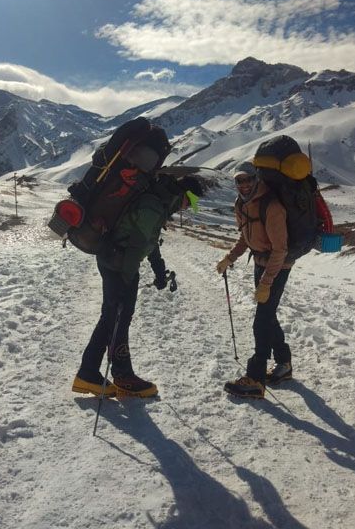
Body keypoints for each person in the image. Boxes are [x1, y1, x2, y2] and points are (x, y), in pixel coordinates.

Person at [73, 146, 205, 399]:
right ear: (185, 195)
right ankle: (101, 374)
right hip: (118, 263)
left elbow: (149, 240)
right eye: (190, 203)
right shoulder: (155, 205)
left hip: (116, 261)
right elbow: (138, 244)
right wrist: (126, 277)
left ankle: (107, 372)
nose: (187, 208)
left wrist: (158, 268)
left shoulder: (159, 202)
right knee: (114, 318)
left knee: (115, 318)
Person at [216, 161, 294, 400]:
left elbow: (280, 250)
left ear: (257, 179)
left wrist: (267, 283)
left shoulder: (272, 207)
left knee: (261, 321)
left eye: (249, 179)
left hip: (277, 267)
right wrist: (230, 258)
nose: (245, 184)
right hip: (260, 264)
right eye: (240, 180)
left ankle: (256, 379)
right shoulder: (242, 205)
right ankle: (284, 364)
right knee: (267, 315)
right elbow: (246, 237)